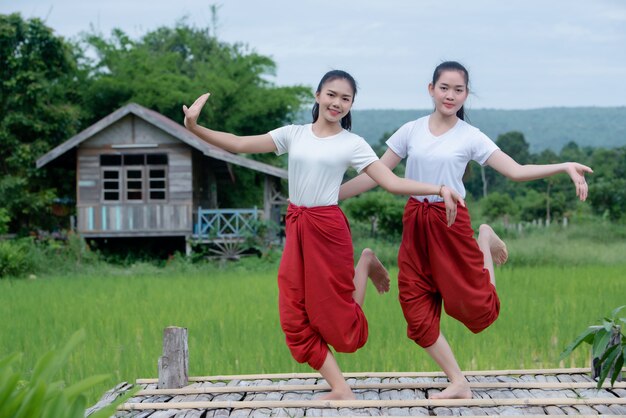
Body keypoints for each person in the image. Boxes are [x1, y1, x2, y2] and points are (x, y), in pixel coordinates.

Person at [182, 70, 465, 400]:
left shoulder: (352, 144)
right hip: (297, 226)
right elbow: (240, 144)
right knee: (292, 314)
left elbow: (391, 182)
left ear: (351, 105)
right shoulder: (294, 134)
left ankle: (365, 263)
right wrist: (194, 128)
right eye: (331, 95)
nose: (337, 103)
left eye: (346, 98)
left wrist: (440, 188)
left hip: (328, 230)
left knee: (336, 321)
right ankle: (341, 388)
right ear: (317, 96)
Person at [339, 61, 593, 399]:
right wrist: (331, 196)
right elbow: (376, 175)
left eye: (458, 90)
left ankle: (484, 239)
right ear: (431, 89)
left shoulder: (470, 136)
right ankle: (458, 382)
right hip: (416, 220)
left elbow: (516, 171)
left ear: (466, 94)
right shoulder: (410, 130)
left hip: (452, 222)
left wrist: (564, 166)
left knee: (476, 309)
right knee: (416, 314)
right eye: (444, 87)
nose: (450, 95)